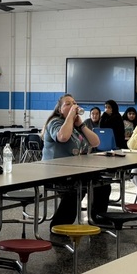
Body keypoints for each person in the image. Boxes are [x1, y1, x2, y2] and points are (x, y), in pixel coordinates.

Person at [41, 94, 110, 226]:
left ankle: (97, 217)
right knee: (76, 187)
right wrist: (70, 117)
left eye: (74, 103)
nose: (73, 105)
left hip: (74, 170)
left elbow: (96, 142)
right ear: (60, 109)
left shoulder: (76, 125)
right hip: (55, 172)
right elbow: (63, 137)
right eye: (68, 104)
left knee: (103, 184)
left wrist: (81, 124)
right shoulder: (55, 122)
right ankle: (59, 225)